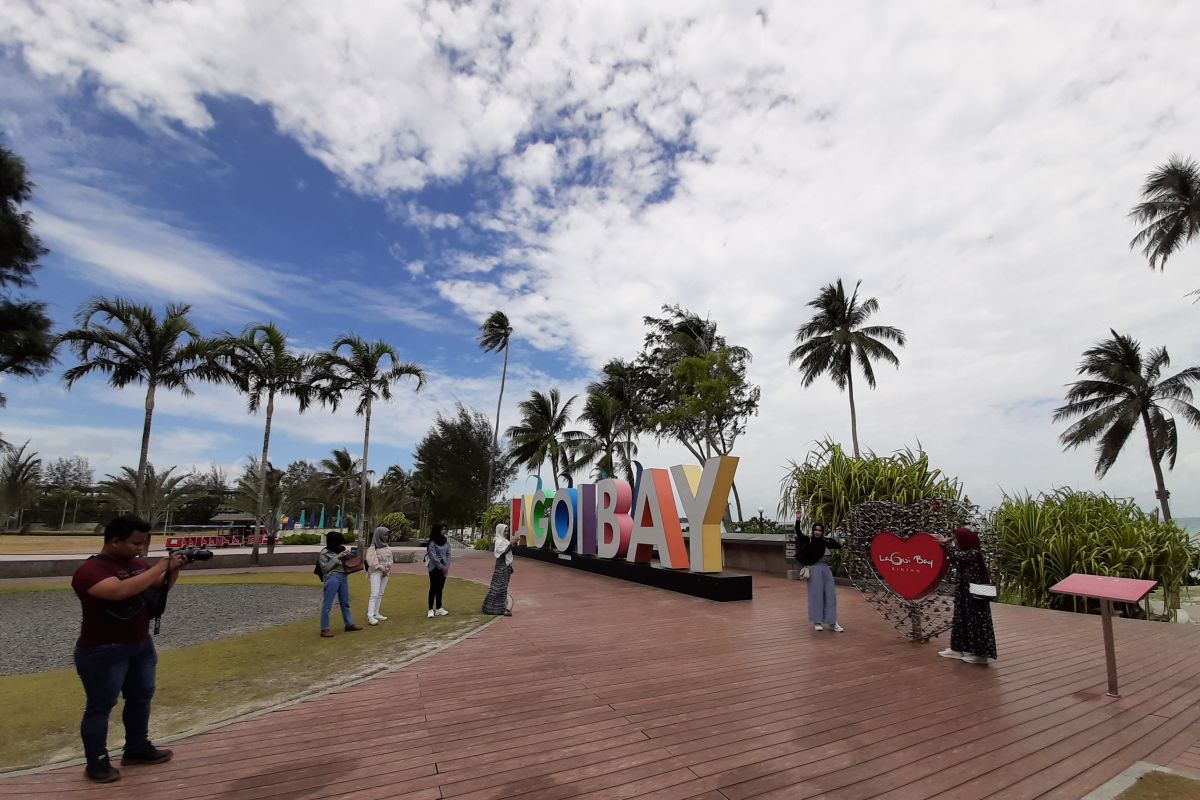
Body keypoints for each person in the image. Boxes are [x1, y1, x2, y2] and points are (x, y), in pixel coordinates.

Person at [71, 515, 188, 783]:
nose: (140, 549)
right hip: (102, 651)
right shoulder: (90, 571)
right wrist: (160, 566)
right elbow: (120, 591)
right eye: (136, 543)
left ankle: (136, 747)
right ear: (114, 541)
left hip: (140, 646)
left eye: (144, 544)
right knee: (100, 706)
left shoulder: (135, 564)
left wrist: (175, 568)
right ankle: (97, 762)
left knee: (141, 697)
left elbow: (161, 585)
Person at [936, 527, 997, 664]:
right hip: (965, 595)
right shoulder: (967, 552)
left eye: (957, 539)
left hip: (974, 597)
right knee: (960, 620)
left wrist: (945, 543)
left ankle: (981, 655)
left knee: (977, 623)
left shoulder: (973, 553)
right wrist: (947, 543)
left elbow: (958, 556)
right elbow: (955, 555)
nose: (955, 541)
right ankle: (957, 649)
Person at [795, 518, 844, 632]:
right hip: (814, 569)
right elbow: (799, 533)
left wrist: (829, 538)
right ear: (813, 531)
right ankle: (817, 622)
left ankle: (832, 623)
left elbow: (838, 546)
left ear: (822, 532)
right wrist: (798, 520)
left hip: (826, 570)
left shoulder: (825, 541)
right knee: (816, 595)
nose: (817, 532)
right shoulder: (809, 540)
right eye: (815, 530)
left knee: (831, 595)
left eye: (819, 530)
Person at [318, 531, 363, 638]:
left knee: (345, 602)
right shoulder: (324, 553)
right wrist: (337, 557)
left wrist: (348, 555)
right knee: (328, 604)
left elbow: (346, 564)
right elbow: (325, 569)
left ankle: (349, 624)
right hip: (332, 578)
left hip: (343, 577)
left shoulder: (341, 549)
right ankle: (325, 628)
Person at [482, 523, 515, 616]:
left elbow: (509, 553)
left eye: (507, 531)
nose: (506, 532)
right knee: (497, 588)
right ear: (500, 531)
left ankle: (501, 608)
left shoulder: (504, 541)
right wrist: (511, 544)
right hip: (501, 567)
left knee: (503, 588)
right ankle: (490, 608)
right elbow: (501, 553)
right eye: (504, 531)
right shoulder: (499, 541)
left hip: (506, 567)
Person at [365, 526, 393, 626]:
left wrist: (387, 569)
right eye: (384, 535)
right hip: (376, 572)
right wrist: (382, 569)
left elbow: (390, 559)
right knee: (374, 593)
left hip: (385, 572)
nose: (386, 537)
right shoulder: (373, 547)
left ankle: (376, 612)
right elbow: (371, 561)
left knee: (380, 593)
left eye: (387, 535)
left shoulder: (386, 546)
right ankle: (370, 615)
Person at [425, 524, 451, 618]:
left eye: (445, 529)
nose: (444, 531)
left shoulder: (445, 541)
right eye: (443, 529)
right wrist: (441, 566)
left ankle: (439, 608)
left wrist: (446, 566)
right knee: (433, 588)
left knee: (440, 588)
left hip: (444, 568)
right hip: (434, 568)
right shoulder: (432, 542)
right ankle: (430, 609)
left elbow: (448, 554)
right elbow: (432, 555)